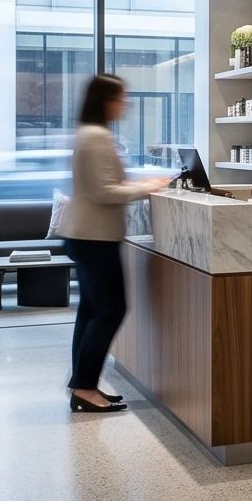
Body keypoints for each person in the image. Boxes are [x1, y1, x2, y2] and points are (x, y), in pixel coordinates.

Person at [58, 73, 172, 414]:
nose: (125, 104)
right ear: (105, 101)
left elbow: (103, 183)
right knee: (110, 310)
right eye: (121, 97)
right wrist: (148, 187)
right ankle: (84, 386)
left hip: (85, 235)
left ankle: (83, 384)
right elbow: (104, 191)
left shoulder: (88, 133)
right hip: (94, 236)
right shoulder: (96, 136)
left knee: (92, 310)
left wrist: (140, 182)